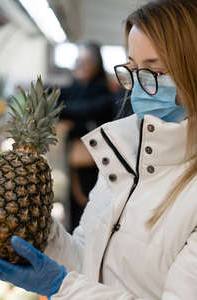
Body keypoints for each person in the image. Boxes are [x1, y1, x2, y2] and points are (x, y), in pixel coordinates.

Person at [0, 1, 197, 299]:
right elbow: (89, 264)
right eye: (132, 67)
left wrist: (59, 286)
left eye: (156, 70)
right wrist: (38, 231)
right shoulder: (130, 158)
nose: (136, 85)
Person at [58, 41, 115, 231]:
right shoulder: (72, 89)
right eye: (77, 60)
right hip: (74, 167)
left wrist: (65, 113)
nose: (80, 65)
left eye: (86, 61)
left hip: (96, 167)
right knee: (75, 217)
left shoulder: (104, 93)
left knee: (92, 216)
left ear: (97, 65)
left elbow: (86, 110)